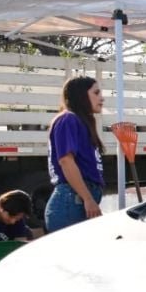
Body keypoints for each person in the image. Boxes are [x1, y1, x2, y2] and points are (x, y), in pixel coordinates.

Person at [45, 76, 105, 232]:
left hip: (77, 201)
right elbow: (66, 161)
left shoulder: (80, 121)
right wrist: (88, 198)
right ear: (81, 95)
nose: (102, 98)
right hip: (71, 203)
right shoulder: (68, 119)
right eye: (96, 93)